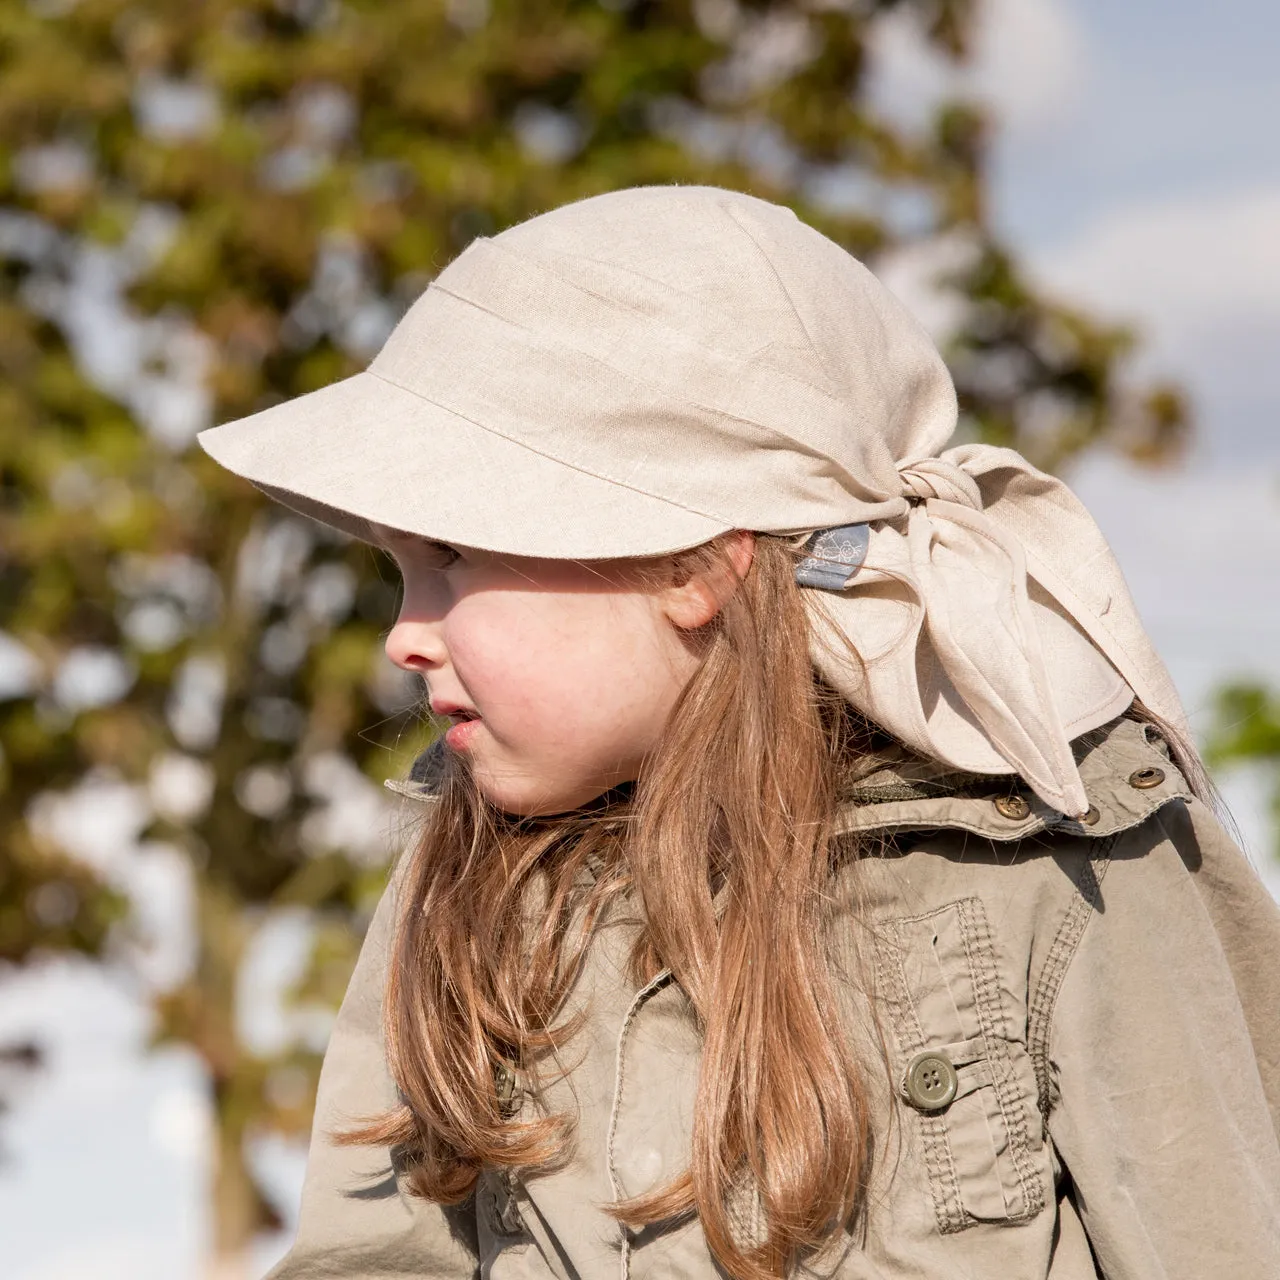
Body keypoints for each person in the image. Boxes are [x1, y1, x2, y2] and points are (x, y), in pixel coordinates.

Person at [197, 185, 1280, 1279]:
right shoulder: (475, 872)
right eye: (400, 571)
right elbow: (375, 1252)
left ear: (686, 564)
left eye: (453, 560)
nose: (403, 637)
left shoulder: (1061, 851)